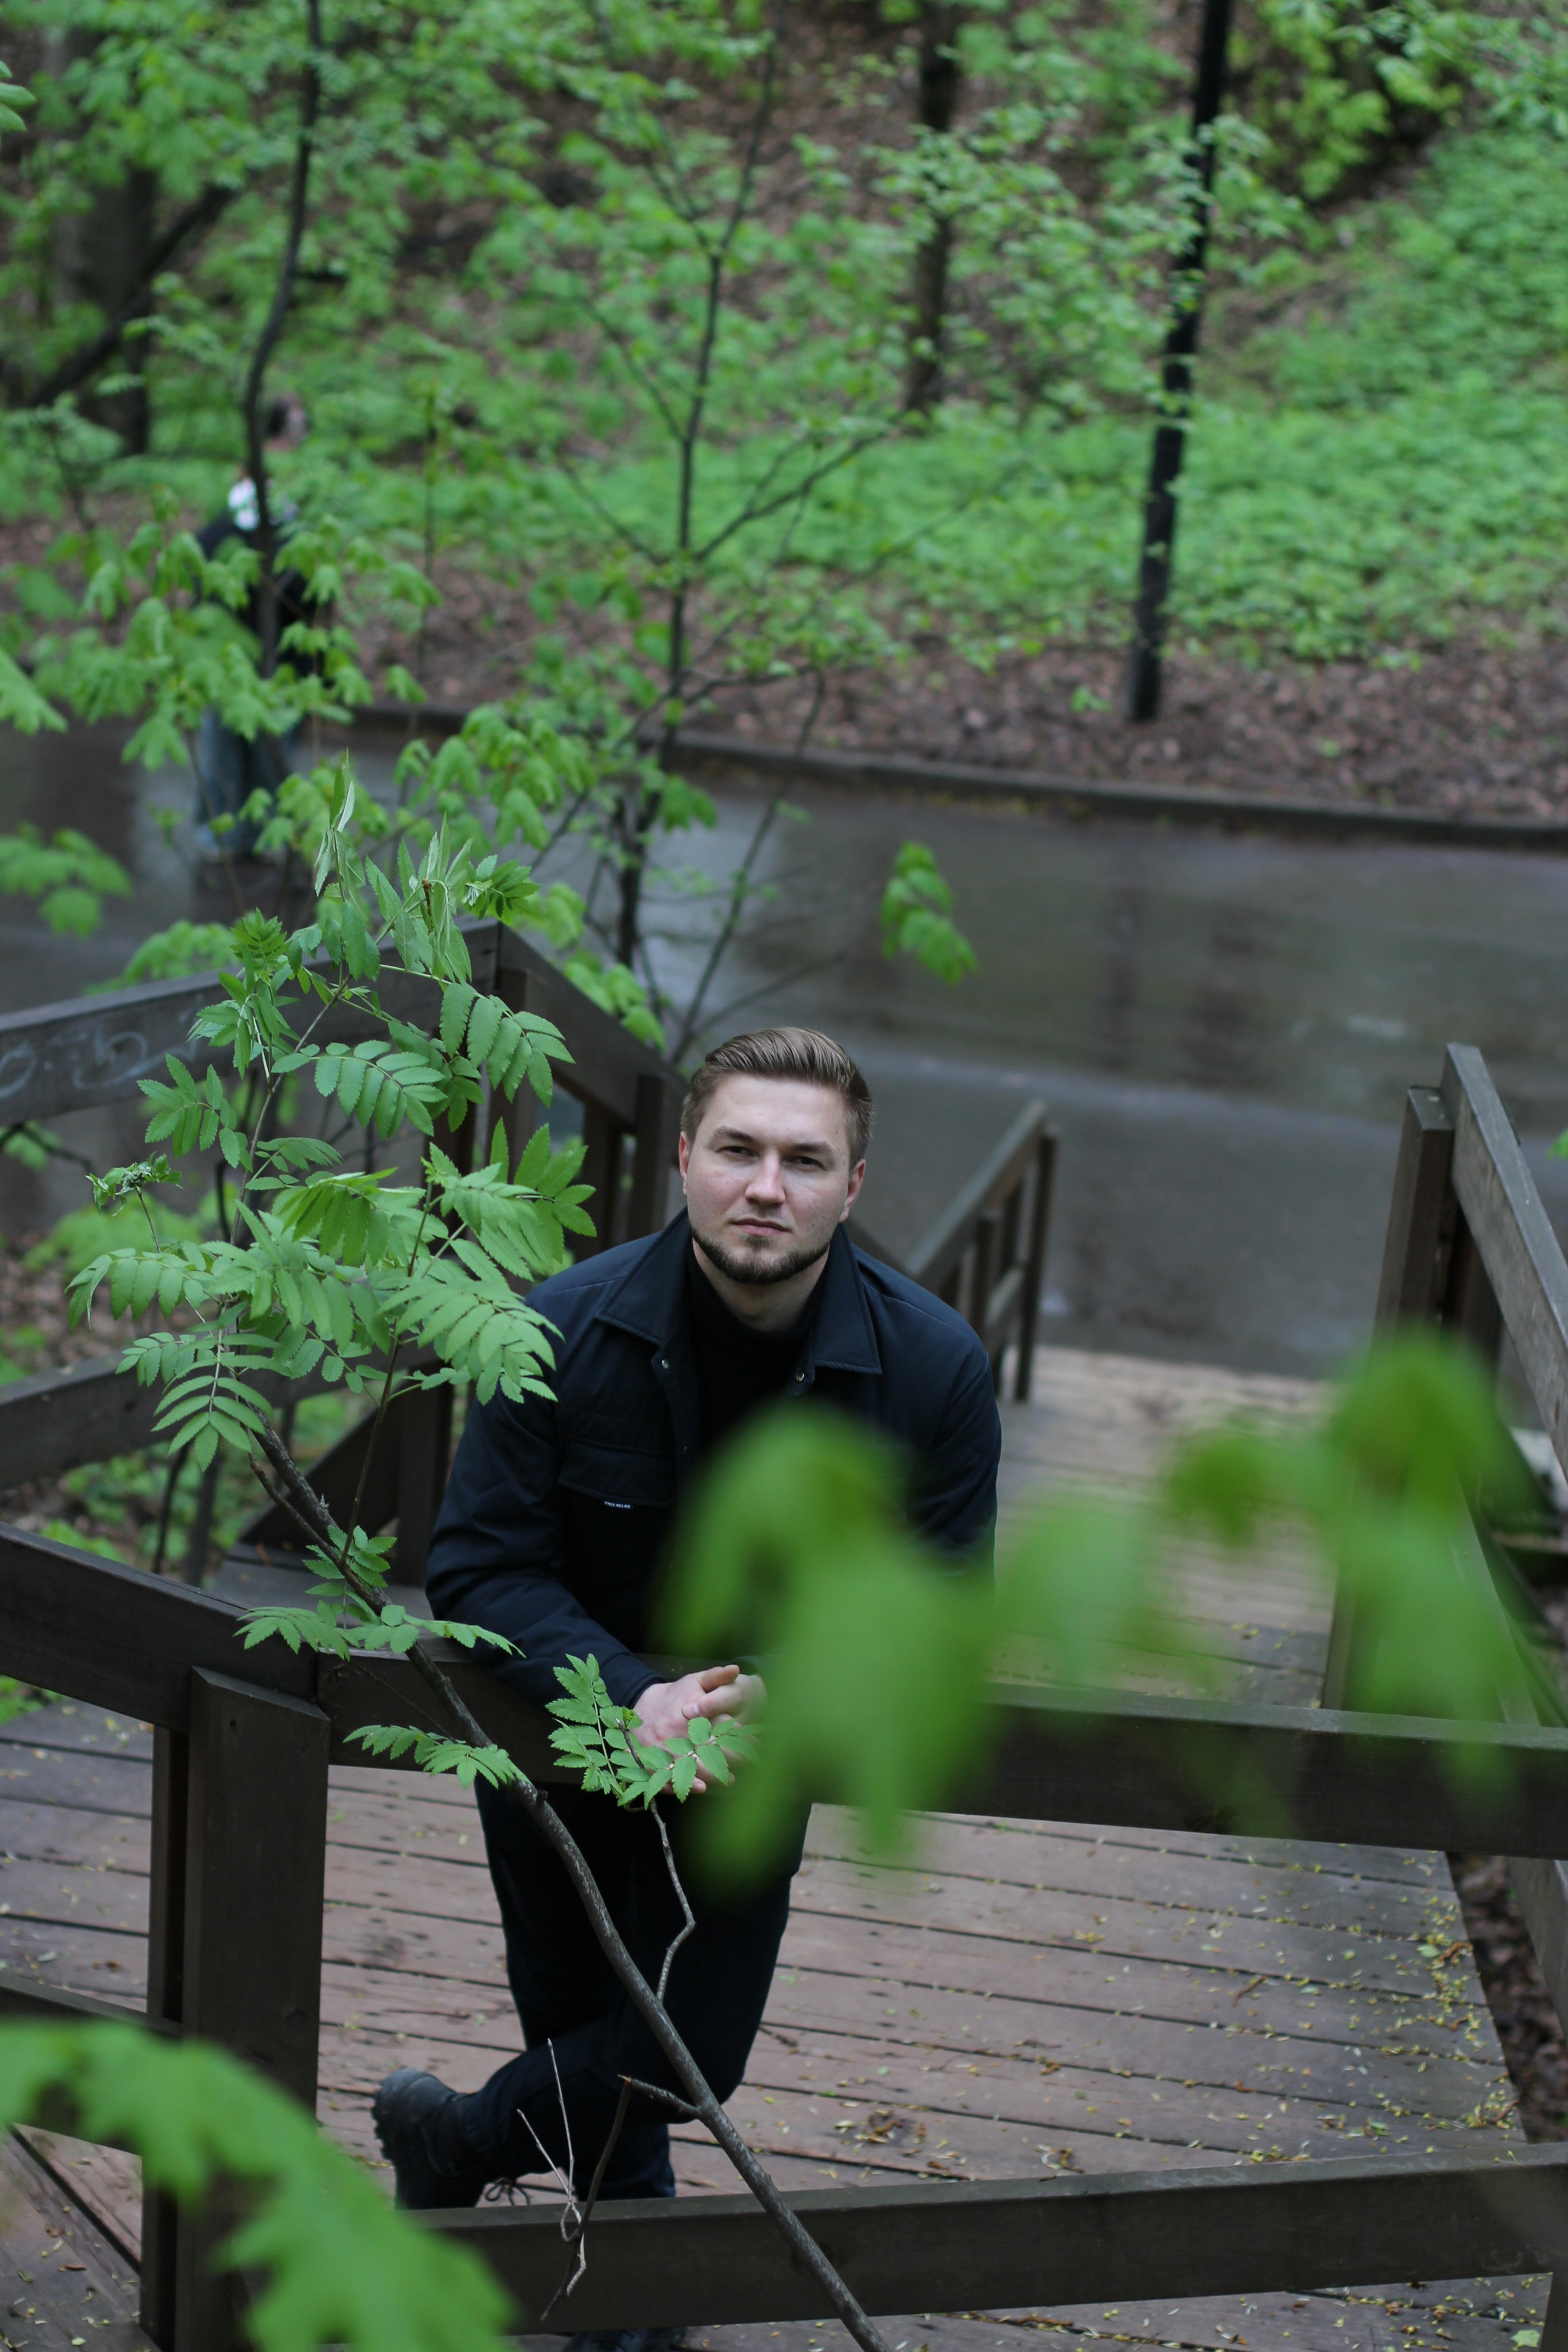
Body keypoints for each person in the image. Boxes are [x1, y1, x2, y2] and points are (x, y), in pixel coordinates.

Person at [372, 1027, 1001, 2350]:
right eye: (737, 1149)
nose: (764, 1184)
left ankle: (446, 2140)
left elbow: (941, 1615)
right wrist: (626, 1695)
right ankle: (628, 2316)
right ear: (682, 1160)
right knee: (580, 2038)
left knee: (675, 2066)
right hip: (560, 1749)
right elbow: (479, 1564)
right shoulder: (557, 1326)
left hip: (758, 1768)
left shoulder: (934, 1369)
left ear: (852, 1184)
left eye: (801, 1159)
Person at [192, 394, 312, 860]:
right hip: (230, 664)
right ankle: (224, 837)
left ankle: (257, 839)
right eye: (288, 433)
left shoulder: (297, 521)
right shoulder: (231, 522)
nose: (291, 446)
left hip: (282, 666)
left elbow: (312, 600)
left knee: (268, 760)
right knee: (225, 753)